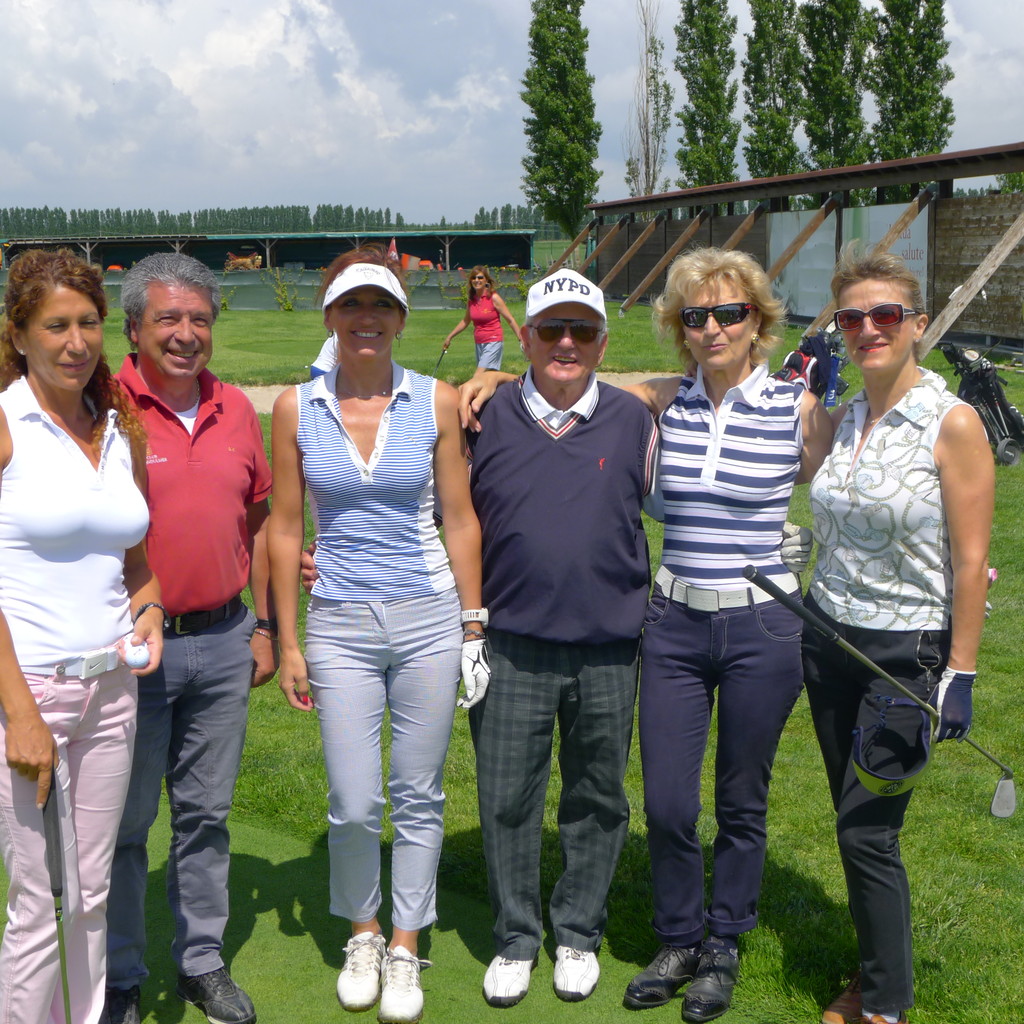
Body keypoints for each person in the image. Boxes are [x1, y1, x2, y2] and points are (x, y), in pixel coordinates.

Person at [268, 245, 486, 1024]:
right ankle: (361, 931)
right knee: (356, 800)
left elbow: (460, 518)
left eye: (382, 305)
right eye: (352, 305)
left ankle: (403, 942)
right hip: (338, 625)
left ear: (400, 318)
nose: (367, 318)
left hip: (428, 618)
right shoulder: (296, 408)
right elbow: (285, 528)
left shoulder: (437, 400)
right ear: (330, 316)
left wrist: (472, 624)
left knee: (419, 794)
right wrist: (288, 642)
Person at [620, 247, 832, 1022]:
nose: (712, 328)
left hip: (763, 626)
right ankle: (678, 937)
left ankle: (724, 943)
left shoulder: (796, 408)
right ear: (679, 328)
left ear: (758, 321)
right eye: (695, 316)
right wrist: (489, 382)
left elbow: (862, 483)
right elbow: (567, 390)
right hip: (673, 623)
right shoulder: (659, 403)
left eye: (729, 313)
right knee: (668, 803)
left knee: (742, 798)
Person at [460, 269, 659, 1008]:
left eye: (581, 330)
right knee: (507, 795)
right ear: (526, 338)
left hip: (609, 644)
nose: (566, 343)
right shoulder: (483, 415)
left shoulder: (634, 418)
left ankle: (577, 930)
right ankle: (516, 936)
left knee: (598, 796)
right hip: (512, 642)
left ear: (603, 342)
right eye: (551, 329)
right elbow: (443, 513)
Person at [806, 250, 993, 1024]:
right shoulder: (848, 414)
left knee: (866, 832)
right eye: (852, 317)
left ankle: (884, 1004)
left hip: (904, 655)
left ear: (918, 324)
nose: (868, 329)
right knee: (853, 820)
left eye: (885, 315)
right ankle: (874, 967)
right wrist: (808, 394)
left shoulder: (953, 422)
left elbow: (973, 560)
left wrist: (960, 673)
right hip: (827, 641)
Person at [104, 253, 277, 1024]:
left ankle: (201, 961)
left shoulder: (234, 408)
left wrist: (266, 625)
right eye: (167, 318)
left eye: (199, 319)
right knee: (125, 824)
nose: (185, 334)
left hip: (224, 639)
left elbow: (260, 521)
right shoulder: (102, 406)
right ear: (133, 328)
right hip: (130, 650)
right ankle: (120, 973)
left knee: (205, 816)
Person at [0, 249, 163, 1024]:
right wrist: (21, 714)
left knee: (91, 893)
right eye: (56, 326)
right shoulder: (6, 424)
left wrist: (150, 608)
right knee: (38, 904)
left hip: (113, 691)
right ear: (19, 335)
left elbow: (135, 560)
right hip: (29, 692)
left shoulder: (118, 426)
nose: (76, 343)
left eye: (89, 323)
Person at [442, 266, 520, 370]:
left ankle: (515, 379)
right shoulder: (472, 300)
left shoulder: (493, 297)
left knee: (481, 374)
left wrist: (521, 338)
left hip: (493, 340)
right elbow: (465, 321)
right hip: (479, 342)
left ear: (486, 280)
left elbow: (510, 319)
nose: (476, 280)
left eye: (480, 277)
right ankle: (513, 380)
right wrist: (450, 337)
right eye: (474, 278)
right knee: (488, 376)